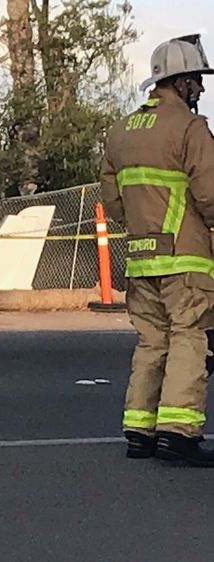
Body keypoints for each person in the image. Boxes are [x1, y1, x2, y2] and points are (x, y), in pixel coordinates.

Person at [100, 34, 214, 466]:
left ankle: (139, 431)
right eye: (197, 81)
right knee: (190, 338)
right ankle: (178, 434)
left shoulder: (120, 131)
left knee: (151, 342)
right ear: (181, 81)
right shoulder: (190, 128)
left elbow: (113, 202)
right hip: (186, 260)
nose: (201, 90)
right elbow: (210, 196)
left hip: (141, 257)